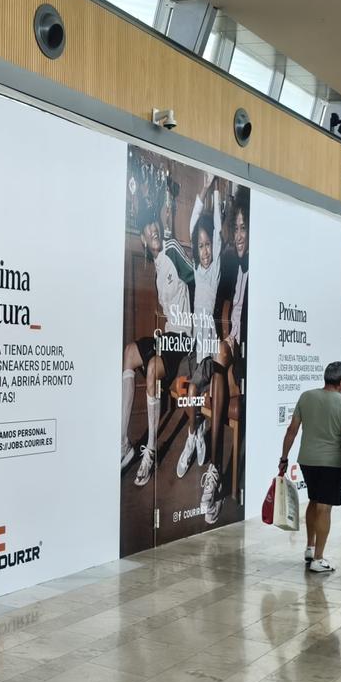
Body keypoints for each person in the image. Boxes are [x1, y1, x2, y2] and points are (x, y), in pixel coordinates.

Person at [120, 220, 194, 487]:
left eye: (155, 224)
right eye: (147, 226)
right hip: (169, 335)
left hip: (185, 338)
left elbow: (196, 279)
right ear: (142, 237)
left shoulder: (172, 248)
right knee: (129, 353)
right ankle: (123, 445)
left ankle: (151, 450)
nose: (152, 229)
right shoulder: (156, 270)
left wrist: (202, 330)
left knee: (152, 368)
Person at [279, 361, 341, 573]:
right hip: (331, 463)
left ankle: (309, 547)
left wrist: (284, 458)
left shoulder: (306, 397)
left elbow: (292, 431)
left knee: (313, 501)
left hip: (307, 460)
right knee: (324, 508)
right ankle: (319, 558)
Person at [204, 189, 250, 525]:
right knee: (218, 359)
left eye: (243, 227)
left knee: (221, 363)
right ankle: (215, 469)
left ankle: (217, 468)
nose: (238, 235)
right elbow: (218, 308)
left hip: (252, 352)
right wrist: (226, 336)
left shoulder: (260, 269)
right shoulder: (231, 264)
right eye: (235, 228)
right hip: (230, 346)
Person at [175, 176, 223, 489]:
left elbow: (217, 229)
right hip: (194, 345)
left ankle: (192, 437)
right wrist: (202, 190)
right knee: (185, 390)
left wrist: (217, 194)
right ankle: (197, 428)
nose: (205, 251)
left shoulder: (215, 269)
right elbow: (194, 223)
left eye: (207, 246)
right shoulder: (197, 268)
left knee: (192, 392)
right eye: (201, 246)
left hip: (208, 347)